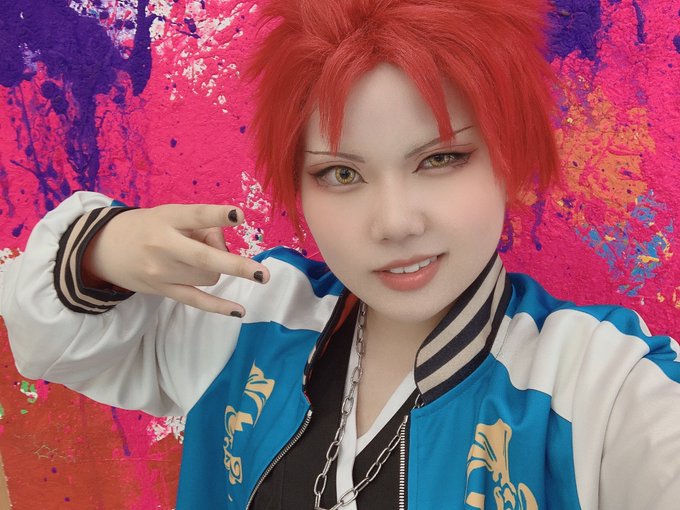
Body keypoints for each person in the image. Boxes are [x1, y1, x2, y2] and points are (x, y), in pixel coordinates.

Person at [1, 0, 679, 508]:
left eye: (441, 158)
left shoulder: (595, 387)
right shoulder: (250, 318)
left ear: (508, 157)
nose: (395, 223)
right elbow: (47, 336)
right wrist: (98, 250)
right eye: (342, 173)